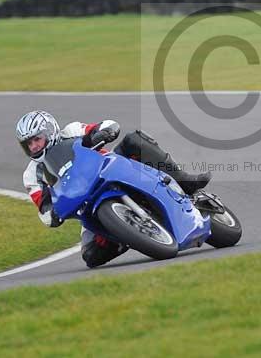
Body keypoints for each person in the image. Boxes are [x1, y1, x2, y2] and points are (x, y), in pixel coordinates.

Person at [15, 111, 211, 268]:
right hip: (87, 203)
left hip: (113, 170)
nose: (34, 146)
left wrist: (103, 132)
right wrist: (53, 210)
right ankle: (128, 234)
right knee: (90, 256)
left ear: (49, 132)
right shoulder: (32, 175)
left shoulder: (72, 131)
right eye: (28, 144)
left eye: (36, 139)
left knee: (134, 141)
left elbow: (106, 125)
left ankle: (183, 181)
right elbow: (44, 210)